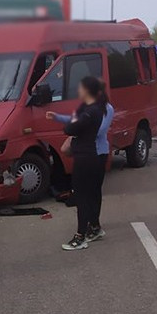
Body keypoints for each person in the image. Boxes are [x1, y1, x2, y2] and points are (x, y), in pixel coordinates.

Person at [47, 79, 113, 241]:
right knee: (86, 192)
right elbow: (74, 120)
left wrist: (80, 130)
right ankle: (92, 225)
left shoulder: (106, 109)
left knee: (92, 192)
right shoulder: (86, 108)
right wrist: (57, 117)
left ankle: (91, 226)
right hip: (86, 152)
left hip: (98, 153)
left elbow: (98, 129)